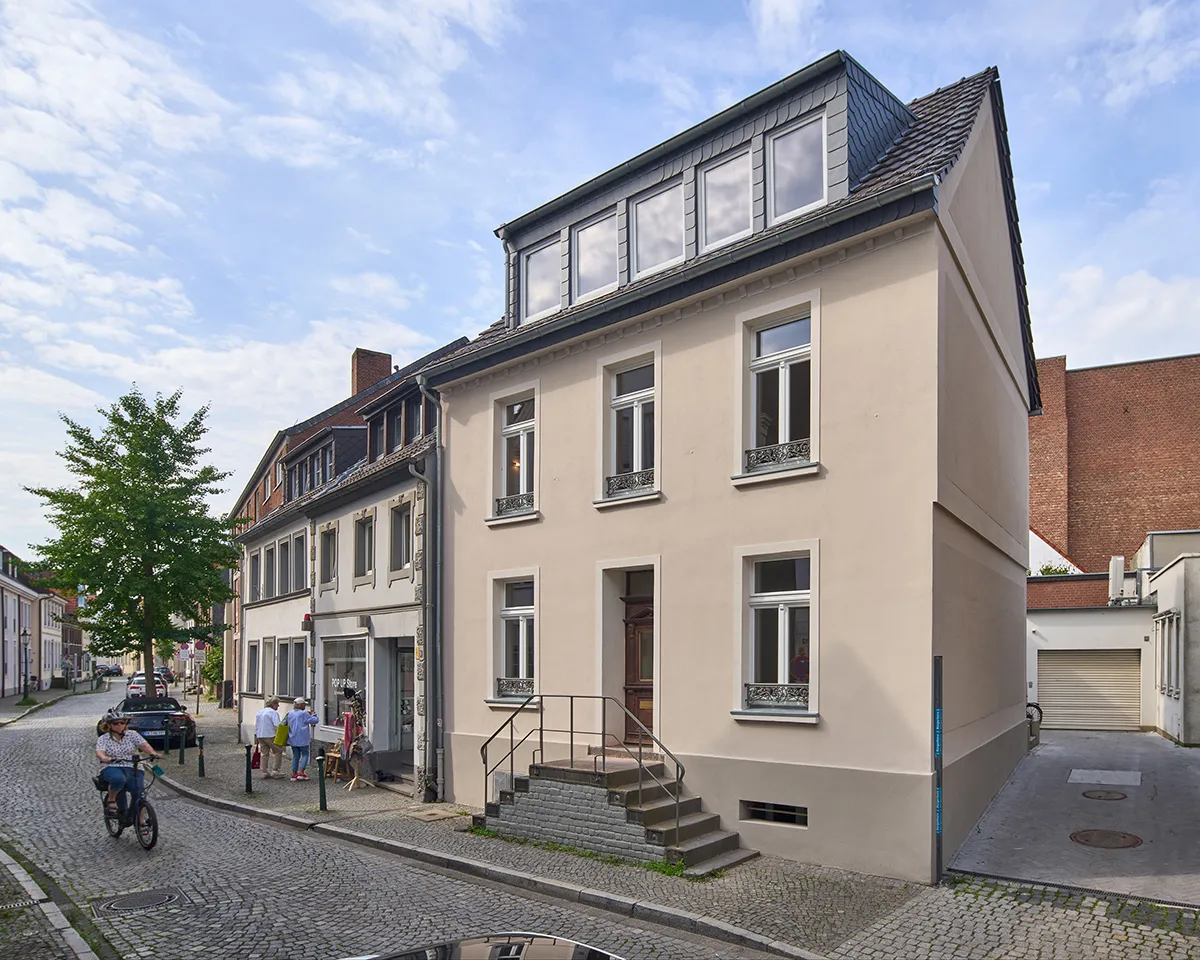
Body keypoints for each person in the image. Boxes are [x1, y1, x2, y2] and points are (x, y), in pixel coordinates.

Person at [95, 710, 163, 821]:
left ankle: (139, 822)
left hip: (133, 766)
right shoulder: (103, 739)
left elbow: (144, 745)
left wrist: (153, 753)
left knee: (138, 793)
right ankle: (111, 800)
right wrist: (104, 758)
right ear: (109, 725)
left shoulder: (132, 734)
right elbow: (100, 752)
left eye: (122, 723)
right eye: (115, 723)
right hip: (113, 766)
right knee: (118, 779)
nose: (119, 725)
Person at [284, 697, 319, 781]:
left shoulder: (290, 713)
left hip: (293, 737)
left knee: (295, 756)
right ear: (301, 705)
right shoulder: (304, 714)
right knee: (305, 754)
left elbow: (285, 723)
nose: (305, 706)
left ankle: (294, 774)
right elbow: (315, 721)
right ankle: (301, 772)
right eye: (304, 705)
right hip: (303, 738)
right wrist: (314, 714)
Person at [254, 697, 285, 778]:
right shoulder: (273, 713)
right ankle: (275, 770)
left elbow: (257, 724)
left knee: (264, 754)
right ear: (273, 704)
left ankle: (264, 772)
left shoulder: (260, 712)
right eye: (277, 704)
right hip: (270, 734)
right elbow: (277, 725)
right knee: (278, 751)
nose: (278, 706)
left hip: (260, 735)